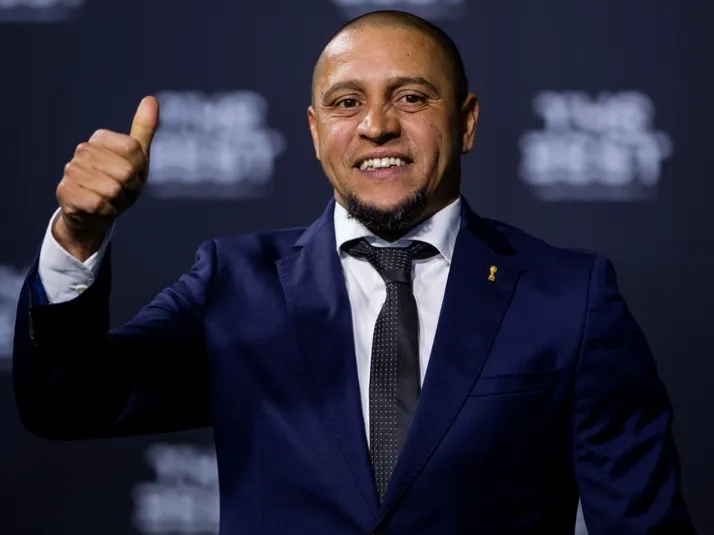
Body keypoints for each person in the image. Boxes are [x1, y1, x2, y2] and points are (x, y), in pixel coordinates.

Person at [12, 10, 696, 535]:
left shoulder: (570, 296)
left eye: (411, 97)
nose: (376, 125)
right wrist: (79, 235)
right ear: (315, 134)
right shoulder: (235, 283)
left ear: (466, 123)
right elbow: (66, 402)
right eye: (346, 103)